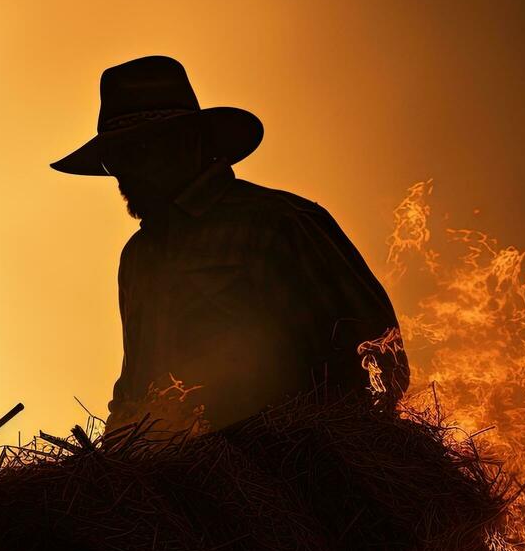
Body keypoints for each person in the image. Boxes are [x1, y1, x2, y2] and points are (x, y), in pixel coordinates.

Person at [52, 55, 409, 433]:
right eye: (114, 160)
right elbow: (137, 387)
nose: (123, 173)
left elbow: (375, 348)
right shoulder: (140, 257)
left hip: (287, 468)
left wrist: (304, 450)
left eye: (135, 152)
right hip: (185, 477)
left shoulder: (277, 222)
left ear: (186, 144)